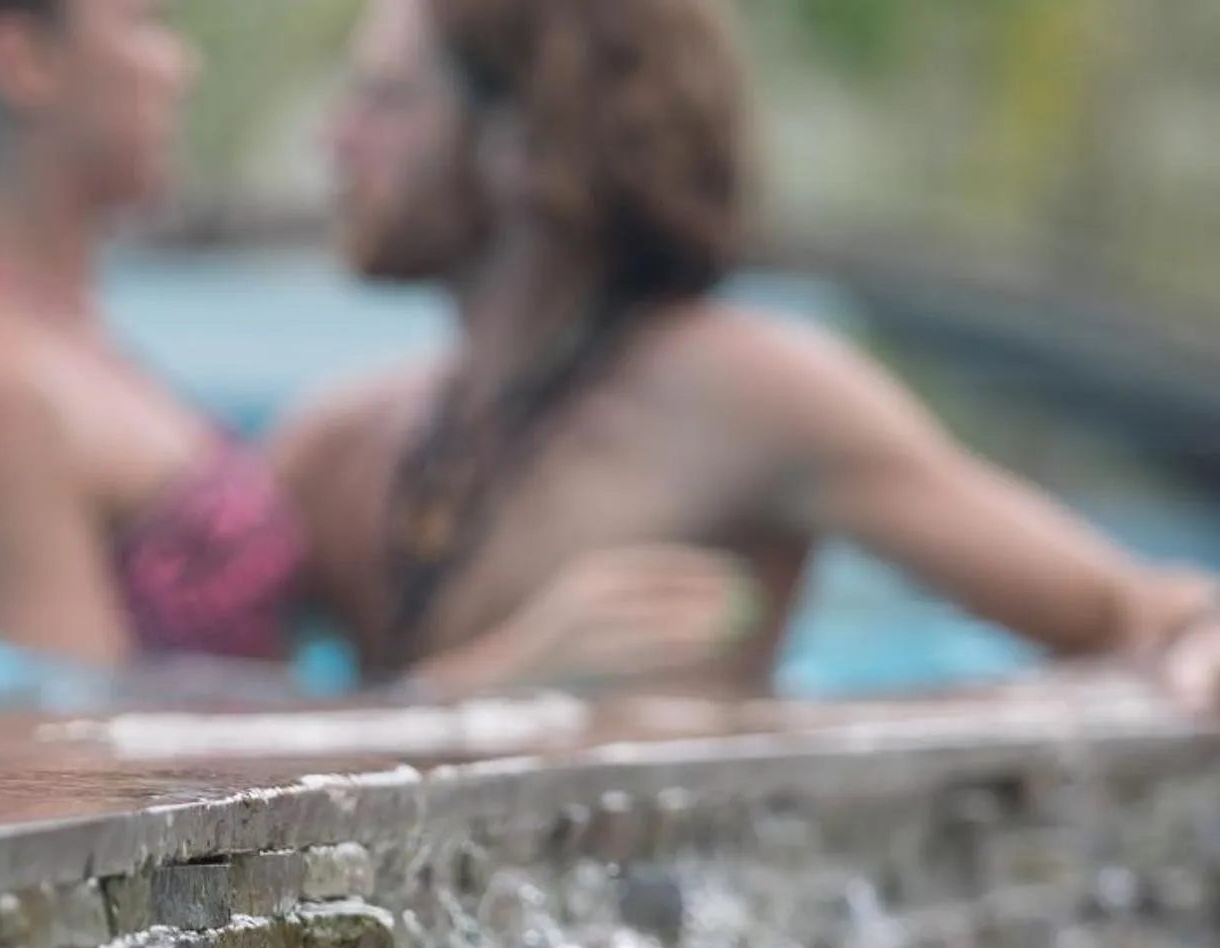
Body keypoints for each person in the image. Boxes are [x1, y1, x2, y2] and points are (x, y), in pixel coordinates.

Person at [273, 0, 1220, 707]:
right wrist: (495, 685)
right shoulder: (342, 441)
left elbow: (1134, 613)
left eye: (386, 96)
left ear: (526, 140)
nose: (335, 138)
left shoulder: (745, 399)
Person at [0, 0, 312, 670]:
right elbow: (59, 758)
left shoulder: (32, 341)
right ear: (22, 61)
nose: (181, 68)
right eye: (148, 22)